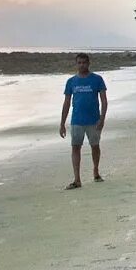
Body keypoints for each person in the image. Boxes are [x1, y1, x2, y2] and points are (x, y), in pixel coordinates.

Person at [60, 52, 107, 189]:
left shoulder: (97, 79)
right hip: (76, 120)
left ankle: (96, 170)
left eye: (84, 62)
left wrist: (102, 118)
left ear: (88, 63)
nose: (82, 65)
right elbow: (67, 103)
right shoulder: (71, 81)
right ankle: (77, 179)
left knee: (95, 146)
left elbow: (104, 100)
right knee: (75, 147)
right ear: (76, 64)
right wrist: (62, 123)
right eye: (79, 62)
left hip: (93, 120)